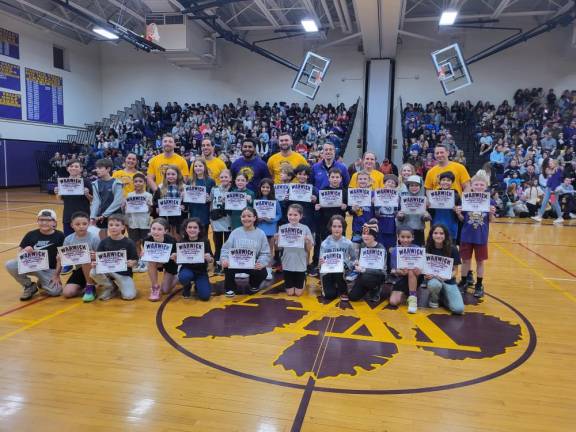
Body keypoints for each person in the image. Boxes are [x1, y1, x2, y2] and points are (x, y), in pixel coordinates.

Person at [5, 209, 65, 301]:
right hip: (32, 265)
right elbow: (19, 255)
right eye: (41, 220)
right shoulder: (30, 234)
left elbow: (60, 259)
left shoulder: (60, 236)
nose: (44, 222)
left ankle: (42, 282)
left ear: (54, 222)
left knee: (56, 292)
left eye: (48, 220)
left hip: (49, 270)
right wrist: (25, 251)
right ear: (37, 221)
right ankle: (29, 286)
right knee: (10, 265)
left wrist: (56, 275)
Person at [455, 170, 496, 298]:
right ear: (472, 186)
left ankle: (479, 284)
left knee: (480, 262)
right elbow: (463, 219)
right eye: (476, 185)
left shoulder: (490, 202)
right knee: (465, 260)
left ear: (486, 186)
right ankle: (463, 281)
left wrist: (491, 213)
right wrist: (458, 212)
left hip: (481, 237)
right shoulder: (466, 199)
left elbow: (492, 220)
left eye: (481, 185)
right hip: (466, 235)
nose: (479, 187)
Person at [220, 207, 270, 297]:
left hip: (251, 264)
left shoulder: (261, 234)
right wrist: (224, 260)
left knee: (263, 272)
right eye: (243, 216)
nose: (246, 218)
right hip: (235, 263)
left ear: (254, 218)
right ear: (240, 218)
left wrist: (261, 263)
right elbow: (225, 249)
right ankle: (230, 287)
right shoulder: (235, 232)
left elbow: (265, 253)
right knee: (227, 266)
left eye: (249, 216)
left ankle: (254, 284)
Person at [90, 214, 138, 301]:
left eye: (117, 225)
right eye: (111, 225)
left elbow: (135, 260)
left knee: (129, 296)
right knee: (93, 271)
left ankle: (121, 285)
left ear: (123, 227)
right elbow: (100, 259)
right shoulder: (104, 242)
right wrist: (95, 261)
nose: (113, 227)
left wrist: (132, 263)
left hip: (123, 273)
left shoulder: (129, 243)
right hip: (108, 270)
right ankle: (110, 287)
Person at [55, 212, 100, 302]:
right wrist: (56, 274)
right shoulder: (68, 239)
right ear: (72, 225)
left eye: (84, 224)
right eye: (77, 224)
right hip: (79, 270)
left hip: (94, 269)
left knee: (86, 258)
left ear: (89, 224)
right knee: (67, 293)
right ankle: (87, 288)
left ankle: (90, 286)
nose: (81, 226)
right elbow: (63, 260)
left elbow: (103, 257)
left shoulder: (94, 238)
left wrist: (96, 256)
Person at [274, 204, 314, 296]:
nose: (292, 217)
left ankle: (303, 278)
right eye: (290, 214)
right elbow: (279, 248)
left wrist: (307, 241)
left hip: (300, 264)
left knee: (298, 293)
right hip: (287, 264)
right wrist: (277, 240)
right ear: (287, 215)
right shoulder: (283, 228)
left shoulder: (305, 228)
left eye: (295, 215)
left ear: (301, 216)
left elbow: (309, 249)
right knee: (290, 293)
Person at [424, 224, 464, 314]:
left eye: (441, 233)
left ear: (445, 235)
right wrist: (426, 275)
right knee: (434, 284)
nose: (438, 236)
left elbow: (455, 271)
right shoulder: (427, 248)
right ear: (431, 235)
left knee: (458, 309)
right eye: (435, 233)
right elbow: (423, 269)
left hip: (448, 280)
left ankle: (443, 297)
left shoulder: (453, 249)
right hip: (433, 280)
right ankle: (434, 299)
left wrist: (448, 277)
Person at [319, 215, 357, 301]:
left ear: (343, 228)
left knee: (340, 273)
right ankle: (329, 286)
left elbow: (354, 259)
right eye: (334, 226)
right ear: (330, 227)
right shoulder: (324, 244)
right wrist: (321, 263)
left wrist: (347, 264)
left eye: (339, 226)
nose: (337, 229)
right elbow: (320, 264)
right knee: (330, 295)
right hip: (328, 272)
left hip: (342, 273)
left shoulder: (348, 243)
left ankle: (340, 286)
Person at [348, 219, 386, 303]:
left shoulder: (381, 248)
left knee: (366, 277)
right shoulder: (362, 246)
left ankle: (375, 289)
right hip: (364, 275)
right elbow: (358, 264)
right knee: (352, 297)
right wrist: (356, 263)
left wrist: (364, 270)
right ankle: (367, 288)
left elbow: (383, 272)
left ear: (375, 236)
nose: (365, 236)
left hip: (377, 276)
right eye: (364, 233)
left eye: (369, 234)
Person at [178, 218, 214, 300]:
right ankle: (187, 286)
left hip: (201, 271)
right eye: (189, 227)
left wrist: (209, 258)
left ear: (199, 230)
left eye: (195, 227)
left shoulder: (205, 241)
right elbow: (178, 263)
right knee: (184, 277)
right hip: (187, 269)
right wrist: (175, 258)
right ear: (186, 229)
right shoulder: (181, 242)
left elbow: (211, 259)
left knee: (205, 297)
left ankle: (198, 285)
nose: (192, 229)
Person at [55, 159, 92, 237]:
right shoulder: (63, 182)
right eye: (71, 166)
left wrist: (87, 194)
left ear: (81, 169)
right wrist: (57, 193)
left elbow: (93, 200)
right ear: (67, 168)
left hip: (83, 217)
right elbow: (60, 199)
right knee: (69, 240)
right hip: (68, 217)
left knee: (84, 241)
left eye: (76, 166)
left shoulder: (86, 182)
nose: (73, 168)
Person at [123, 173, 153, 273]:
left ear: (144, 183)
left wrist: (149, 206)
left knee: (145, 242)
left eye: (140, 181)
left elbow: (150, 211)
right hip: (133, 222)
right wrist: (124, 207)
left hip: (145, 222)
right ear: (133, 183)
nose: (138, 183)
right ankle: (139, 260)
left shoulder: (148, 195)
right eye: (136, 181)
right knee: (136, 242)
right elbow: (126, 210)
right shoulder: (129, 195)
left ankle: (146, 260)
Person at [145, 218, 178, 302]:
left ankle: (178, 277)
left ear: (165, 231)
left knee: (165, 290)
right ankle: (155, 287)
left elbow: (176, 260)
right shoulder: (147, 240)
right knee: (151, 261)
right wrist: (143, 253)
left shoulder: (172, 241)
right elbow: (147, 255)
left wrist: (174, 256)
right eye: (153, 229)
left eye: (159, 229)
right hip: (156, 262)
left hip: (170, 263)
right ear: (150, 229)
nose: (156, 232)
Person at [389, 227, 421, 314]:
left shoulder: (418, 249)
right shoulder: (395, 251)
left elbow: (422, 268)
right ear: (398, 237)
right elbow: (393, 270)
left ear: (413, 237)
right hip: (401, 278)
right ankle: (407, 294)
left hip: (415, 276)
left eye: (408, 237)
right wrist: (399, 272)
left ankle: (413, 299)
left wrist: (419, 271)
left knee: (411, 270)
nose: (405, 240)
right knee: (393, 302)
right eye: (402, 237)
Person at [255, 178, 281, 280]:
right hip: (259, 228)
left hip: (270, 228)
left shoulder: (275, 201)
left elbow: (279, 215)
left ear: (271, 189)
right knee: (258, 250)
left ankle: (269, 269)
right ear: (260, 188)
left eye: (267, 187)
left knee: (269, 250)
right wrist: (257, 218)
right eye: (263, 187)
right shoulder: (256, 199)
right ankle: (258, 268)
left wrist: (271, 219)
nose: (265, 189)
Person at [152, 165, 185, 238]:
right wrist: (157, 209)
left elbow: (187, 204)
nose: (170, 176)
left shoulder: (184, 187)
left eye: (173, 174)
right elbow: (155, 202)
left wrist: (184, 206)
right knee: (167, 236)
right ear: (165, 175)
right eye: (168, 174)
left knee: (178, 236)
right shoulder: (160, 188)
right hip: (165, 217)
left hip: (179, 218)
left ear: (178, 175)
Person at [396, 175, 430, 246]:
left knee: (418, 253)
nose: (414, 187)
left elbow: (426, 219)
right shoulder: (402, 199)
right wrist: (399, 216)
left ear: (420, 187)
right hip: (405, 231)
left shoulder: (425, 200)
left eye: (416, 185)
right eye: (411, 185)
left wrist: (426, 216)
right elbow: (398, 217)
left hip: (418, 231)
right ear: (408, 187)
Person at [210, 169, 233, 274]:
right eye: (222, 177)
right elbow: (210, 203)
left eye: (226, 177)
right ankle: (218, 264)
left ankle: (227, 263)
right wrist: (211, 217)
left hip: (228, 219)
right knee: (218, 244)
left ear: (230, 178)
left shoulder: (233, 190)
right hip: (216, 219)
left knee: (227, 243)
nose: (224, 179)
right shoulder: (214, 189)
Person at [90, 159, 124, 229]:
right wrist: (92, 217)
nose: (97, 170)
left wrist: (105, 215)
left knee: (116, 238)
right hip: (101, 217)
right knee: (102, 238)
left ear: (108, 169)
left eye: (100, 168)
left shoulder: (117, 183)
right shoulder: (95, 184)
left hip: (115, 216)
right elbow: (96, 201)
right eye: (96, 168)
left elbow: (117, 202)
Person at [531, 158, 565, 224]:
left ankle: (560, 217)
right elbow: (549, 176)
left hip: (553, 190)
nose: (550, 164)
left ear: (555, 164)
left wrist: (552, 190)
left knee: (554, 203)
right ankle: (540, 216)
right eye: (549, 163)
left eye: (551, 163)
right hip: (549, 188)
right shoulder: (553, 170)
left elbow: (556, 181)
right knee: (546, 201)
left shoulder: (557, 170)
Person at [429, 171, 460, 241]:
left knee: (450, 249)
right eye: (443, 180)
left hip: (451, 227)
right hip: (436, 226)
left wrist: (458, 211)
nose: (445, 182)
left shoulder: (457, 196)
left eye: (448, 180)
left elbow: (460, 215)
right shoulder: (433, 195)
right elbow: (430, 212)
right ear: (439, 182)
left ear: (452, 182)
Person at [186, 158, 215, 227]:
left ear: (205, 167)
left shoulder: (211, 181)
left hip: (205, 212)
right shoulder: (190, 181)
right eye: (195, 166)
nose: (198, 168)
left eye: (200, 166)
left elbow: (213, 198)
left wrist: (210, 198)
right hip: (193, 212)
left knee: (204, 234)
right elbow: (186, 199)